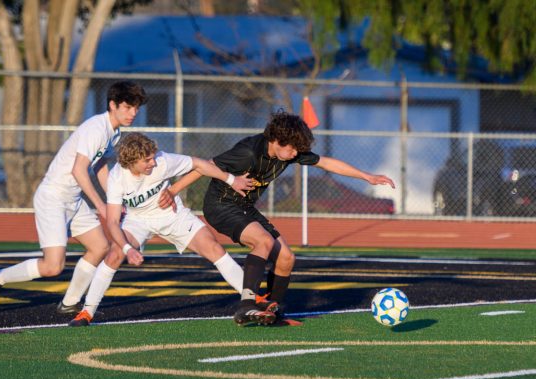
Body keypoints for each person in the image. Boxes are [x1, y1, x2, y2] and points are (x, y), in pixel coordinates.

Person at [160, 110, 395, 326]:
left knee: (286, 257)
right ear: (277, 140)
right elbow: (205, 165)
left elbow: (325, 162)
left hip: (244, 207)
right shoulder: (249, 152)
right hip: (220, 205)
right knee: (263, 241)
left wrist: (367, 176)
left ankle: (272, 311)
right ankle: (246, 305)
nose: (295, 154)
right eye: (293, 149)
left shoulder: (288, 153)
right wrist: (173, 190)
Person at [0, 81, 147, 315]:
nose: (133, 113)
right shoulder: (97, 128)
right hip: (53, 197)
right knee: (52, 266)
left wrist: (113, 200)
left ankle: (69, 303)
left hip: (73, 199)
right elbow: (79, 170)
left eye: (136, 108)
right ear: (112, 105)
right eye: (128, 107)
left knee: (100, 247)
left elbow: (99, 166)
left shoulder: (114, 133)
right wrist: (101, 206)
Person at [68, 132, 261, 327]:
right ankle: (87, 311)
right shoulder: (117, 178)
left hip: (172, 215)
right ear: (132, 161)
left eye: (153, 157)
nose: (153, 162)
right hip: (138, 220)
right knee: (115, 253)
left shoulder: (162, 161)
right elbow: (112, 222)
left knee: (213, 248)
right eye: (147, 160)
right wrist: (128, 249)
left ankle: (253, 298)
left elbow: (200, 164)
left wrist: (232, 180)